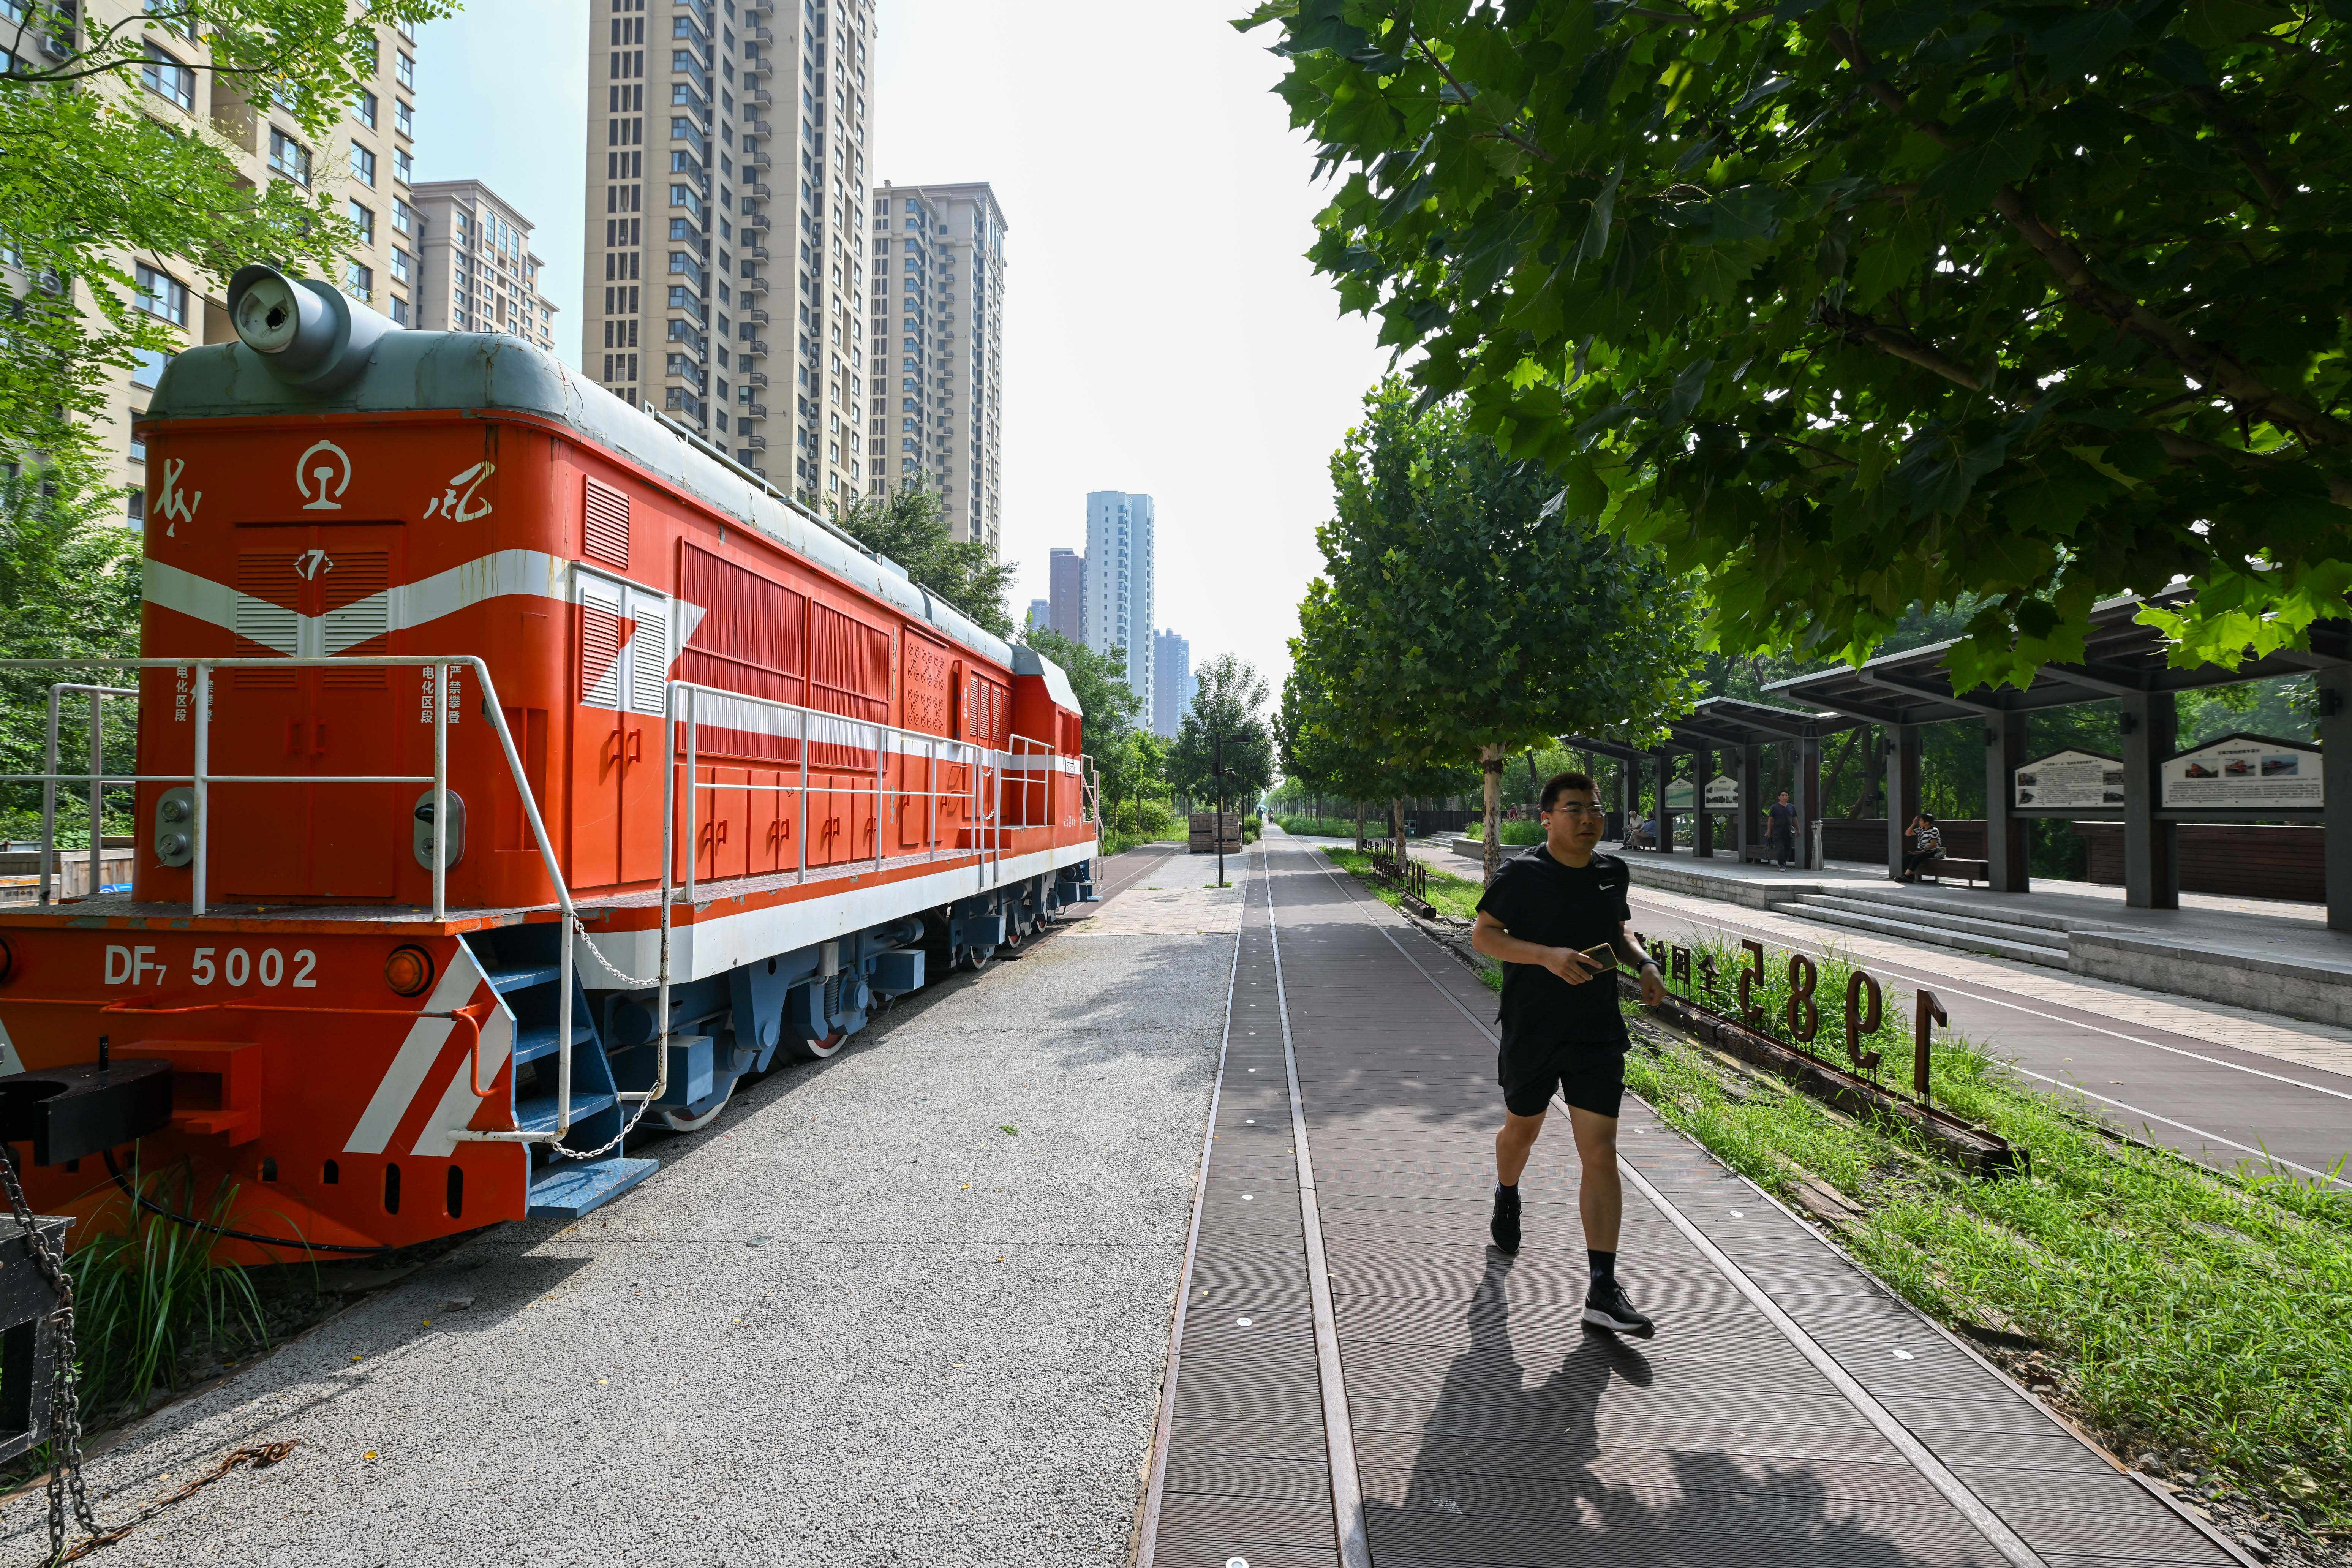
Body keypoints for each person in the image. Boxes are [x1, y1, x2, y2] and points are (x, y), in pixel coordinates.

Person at [1472, 771, 1669, 1339]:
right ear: (1547, 818)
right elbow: (1483, 935)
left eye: (1596, 810)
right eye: (1574, 809)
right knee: (1521, 1133)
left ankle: (1602, 1288)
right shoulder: (1523, 874)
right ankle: (1507, 1193)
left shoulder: (1613, 872)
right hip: (1534, 1030)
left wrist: (1645, 963)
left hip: (1596, 1031)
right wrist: (1546, 956)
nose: (1588, 820)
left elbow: (1620, 931)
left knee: (1601, 1151)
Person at [1900, 813, 1943, 882]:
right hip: (1921, 850)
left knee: (1916, 859)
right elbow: (1908, 834)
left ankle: (1906, 876)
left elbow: (1933, 845)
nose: (1919, 822)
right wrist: (1914, 823)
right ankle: (1909, 877)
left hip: (1932, 850)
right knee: (1906, 858)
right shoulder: (1921, 829)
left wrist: (1923, 851)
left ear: (1927, 823)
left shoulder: (1934, 830)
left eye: (1921, 821)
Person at [1767, 790, 1798, 869]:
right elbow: (1770, 819)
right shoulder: (1774, 807)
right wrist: (1769, 831)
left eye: (1787, 795)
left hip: (1789, 832)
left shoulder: (1791, 807)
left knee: (1788, 849)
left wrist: (1798, 829)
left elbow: (1794, 819)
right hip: (1778, 832)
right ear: (1779, 797)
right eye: (1783, 795)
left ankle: (1782, 862)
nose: (1785, 797)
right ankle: (1782, 865)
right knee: (1780, 849)